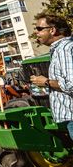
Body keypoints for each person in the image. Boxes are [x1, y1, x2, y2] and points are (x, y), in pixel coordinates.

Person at [30, 12, 73, 140]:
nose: (36, 33)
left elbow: (71, 85)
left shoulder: (64, 49)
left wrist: (46, 82)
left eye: (39, 29)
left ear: (52, 30)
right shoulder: (62, 49)